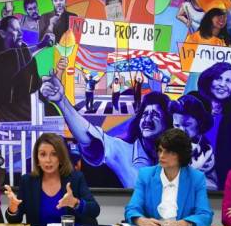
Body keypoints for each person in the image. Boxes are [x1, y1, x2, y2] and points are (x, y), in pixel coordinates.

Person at [40, 73, 172, 187]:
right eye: (145, 114)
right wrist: (62, 102)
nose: (147, 120)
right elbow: (89, 137)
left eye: (155, 115)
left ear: (167, 122)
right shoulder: (123, 151)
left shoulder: (179, 157)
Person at [0, 15, 54, 142]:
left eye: (20, 29)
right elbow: (11, 60)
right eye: (15, 30)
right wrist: (43, 44)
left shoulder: (25, 52)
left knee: (51, 112)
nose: (20, 33)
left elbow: (33, 84)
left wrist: (43, 86)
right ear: (2, 33)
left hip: (23, 108)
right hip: (0, 113)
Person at [4, 133, 100, 226]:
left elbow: (95, 210)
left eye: (54, 154)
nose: (48, 160)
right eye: (43, 154)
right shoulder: (28, 181)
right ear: (37, 159)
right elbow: (14, 221)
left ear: (61, 158)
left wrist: (75, 203)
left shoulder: (76, 178)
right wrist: (13, 208)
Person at [125, 128, 213, 226]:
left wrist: (182, 224)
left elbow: (205, 215)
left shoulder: (196, 178)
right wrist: (141, 221)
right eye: (160, 150)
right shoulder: (146, 175)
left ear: (181, 154)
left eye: (169, 152)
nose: (161, 156)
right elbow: (131, 209)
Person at [189, 62, 231, 189]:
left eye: (228, 81)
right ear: (209, 80)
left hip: (219, 176)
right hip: (189, 170)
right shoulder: (193, 98)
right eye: (218, 78)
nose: (223, 84)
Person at [169, 94, 217, 190]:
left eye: (187, 124)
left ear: (200, 122)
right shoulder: (169, 146)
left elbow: (212, 186)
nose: (181, 130)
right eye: (177, 125)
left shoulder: (208, 152)